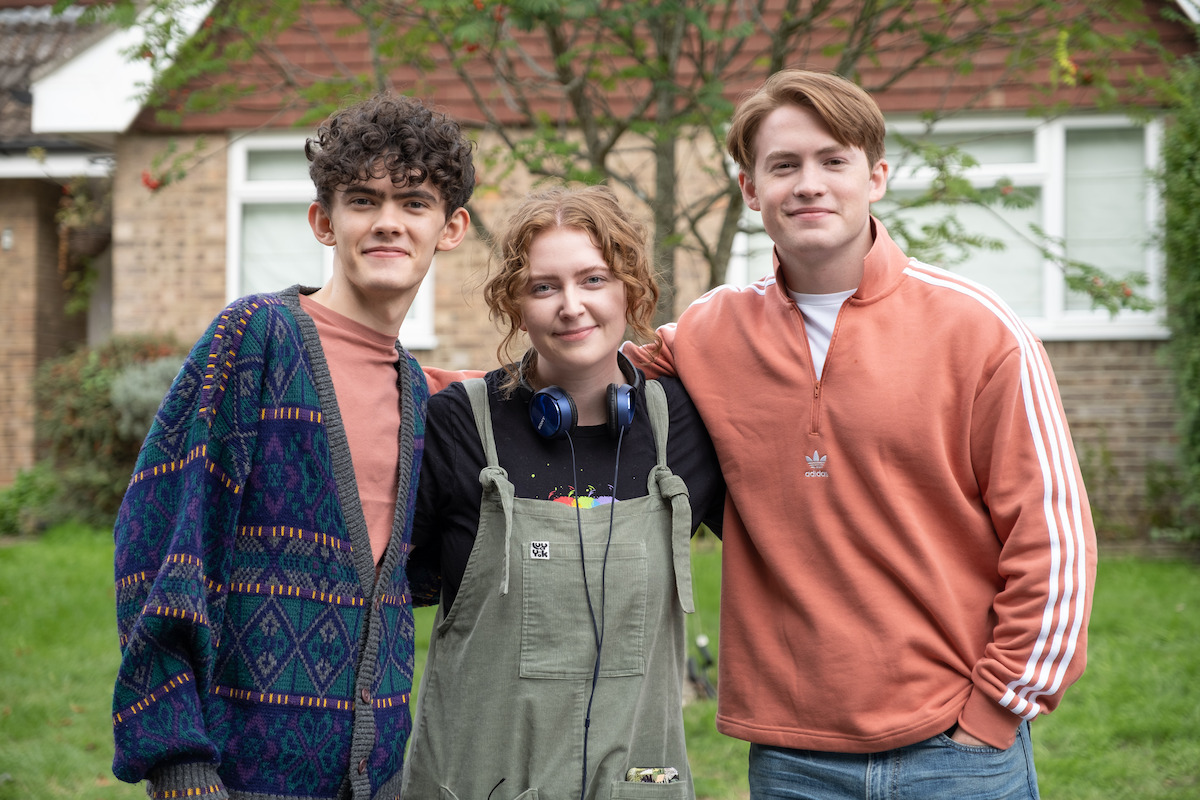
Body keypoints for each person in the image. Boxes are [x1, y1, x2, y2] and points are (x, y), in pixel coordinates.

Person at [623, 69, 1097, 798]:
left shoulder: (980, 331)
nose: (808, 183)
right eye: (783, 165)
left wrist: (996, 711)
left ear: (874, 177)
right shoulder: (710, 331)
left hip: (957, 748)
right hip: (792, 754)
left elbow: (1053, 541)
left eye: (832, 160)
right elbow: (588, 366)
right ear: (751, 190)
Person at [110, 93, 474, 800]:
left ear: (451, 227)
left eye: (415, 203)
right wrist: (177, 760)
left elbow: (403, 577)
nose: (388, 223)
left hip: (379, 773)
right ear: (323, 221)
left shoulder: (418, 394)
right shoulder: (256, 340)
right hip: (241, 772)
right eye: (363, 201)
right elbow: (158, 542)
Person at [402, 185, 725, 800]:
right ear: (516, 306)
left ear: (630, 288)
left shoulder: (680, 424)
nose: (571, 306)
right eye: (544, 287)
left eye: (594, 279)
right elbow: (384, 594)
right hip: (479, 782)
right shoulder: (456, 426)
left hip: (640, 783)